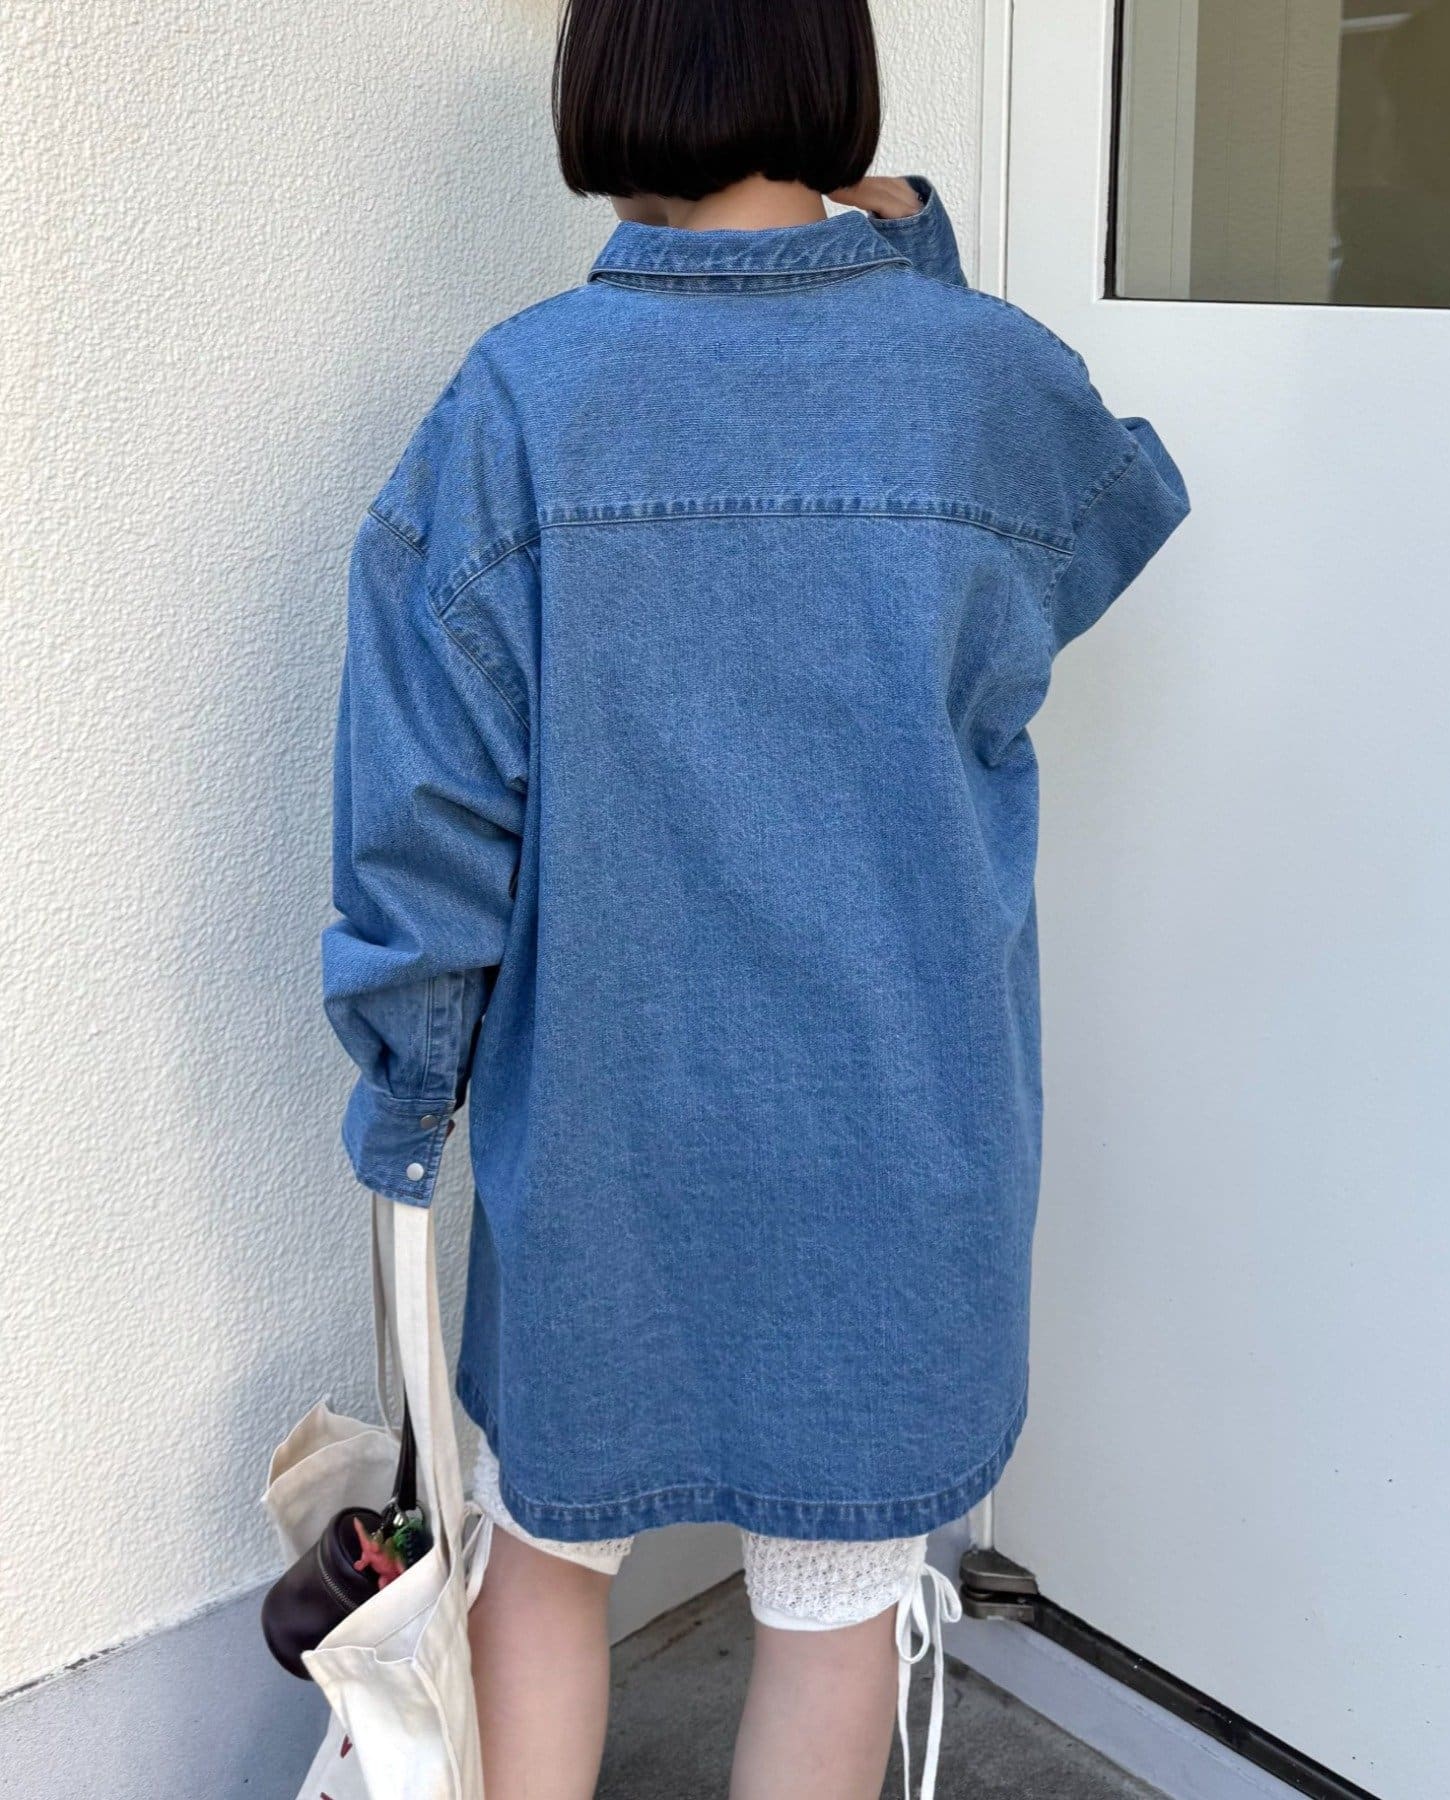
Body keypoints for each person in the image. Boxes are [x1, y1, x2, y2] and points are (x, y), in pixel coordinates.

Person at [320, 0, 1189, 1794]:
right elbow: (1087, 521)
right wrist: (913, 253)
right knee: (836, 1603)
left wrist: (408, 1104)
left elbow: (426, 815)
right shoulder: (980, 383)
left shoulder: (518, 404)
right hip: (904, 1138)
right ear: (829, 71)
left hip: (608, 1137)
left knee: (545, 1559)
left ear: (607, 82)